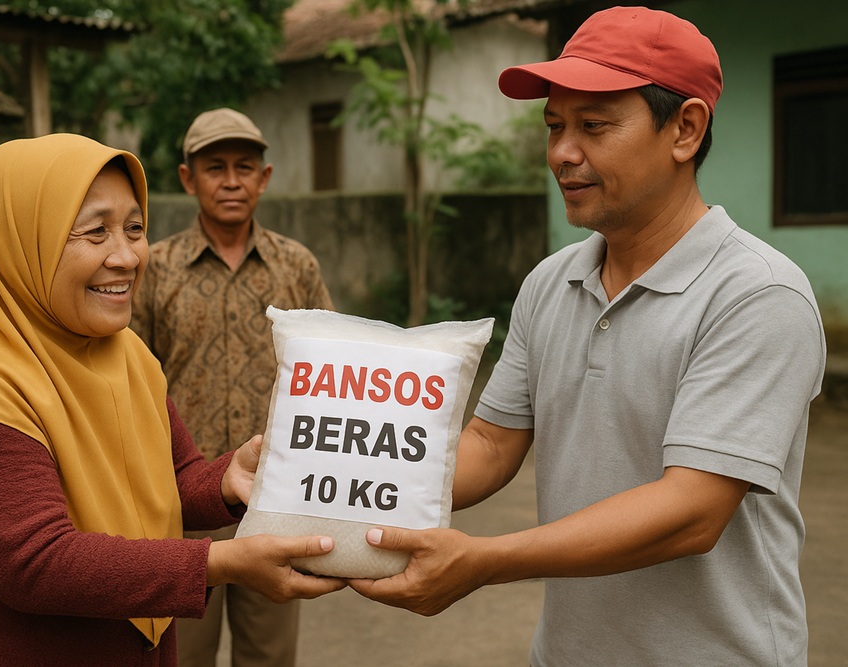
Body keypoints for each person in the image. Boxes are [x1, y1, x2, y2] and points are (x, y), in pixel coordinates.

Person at [349, 7, 827, 666]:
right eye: (554, 126)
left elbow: (691, 507)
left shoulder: (756, 294)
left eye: (593, 126)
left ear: (685, 129)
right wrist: (342, 479)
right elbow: (490, 443)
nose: (562, 153)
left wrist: (484, 560)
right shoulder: (552, 281)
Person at [0, 133, 344, 666]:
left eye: (135, 228)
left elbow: (171, 478)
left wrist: (228, 480)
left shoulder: (126, 356)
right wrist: (218, 562)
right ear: (20, 240)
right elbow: (36, 562)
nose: (126, 256)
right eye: (94, 232)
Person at [130, 108, 334, 666]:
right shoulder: (154, 268)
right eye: (214, 167)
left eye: (245, 167)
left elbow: (332, 379)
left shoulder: (296, 266)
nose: (231, 180)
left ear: (264, 179)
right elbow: (126, 380)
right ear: (187, 179)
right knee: (178, 652)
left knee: (268, 653)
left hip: (275, 495)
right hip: (178, 502)